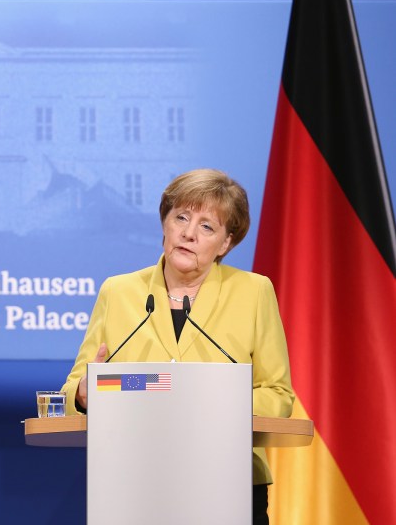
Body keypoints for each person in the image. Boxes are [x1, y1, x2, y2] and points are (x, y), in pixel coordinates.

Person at [60, 168, 293, 525]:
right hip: (134, 482)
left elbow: (277, 394)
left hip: (227, 480)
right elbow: (74, 389)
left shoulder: (254, 291)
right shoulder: (119, 292)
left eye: (207, 227)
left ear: (226, 243)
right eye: (180, 217)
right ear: (164, 224)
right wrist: (81, 394)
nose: (188, 233)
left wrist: (208, 397)